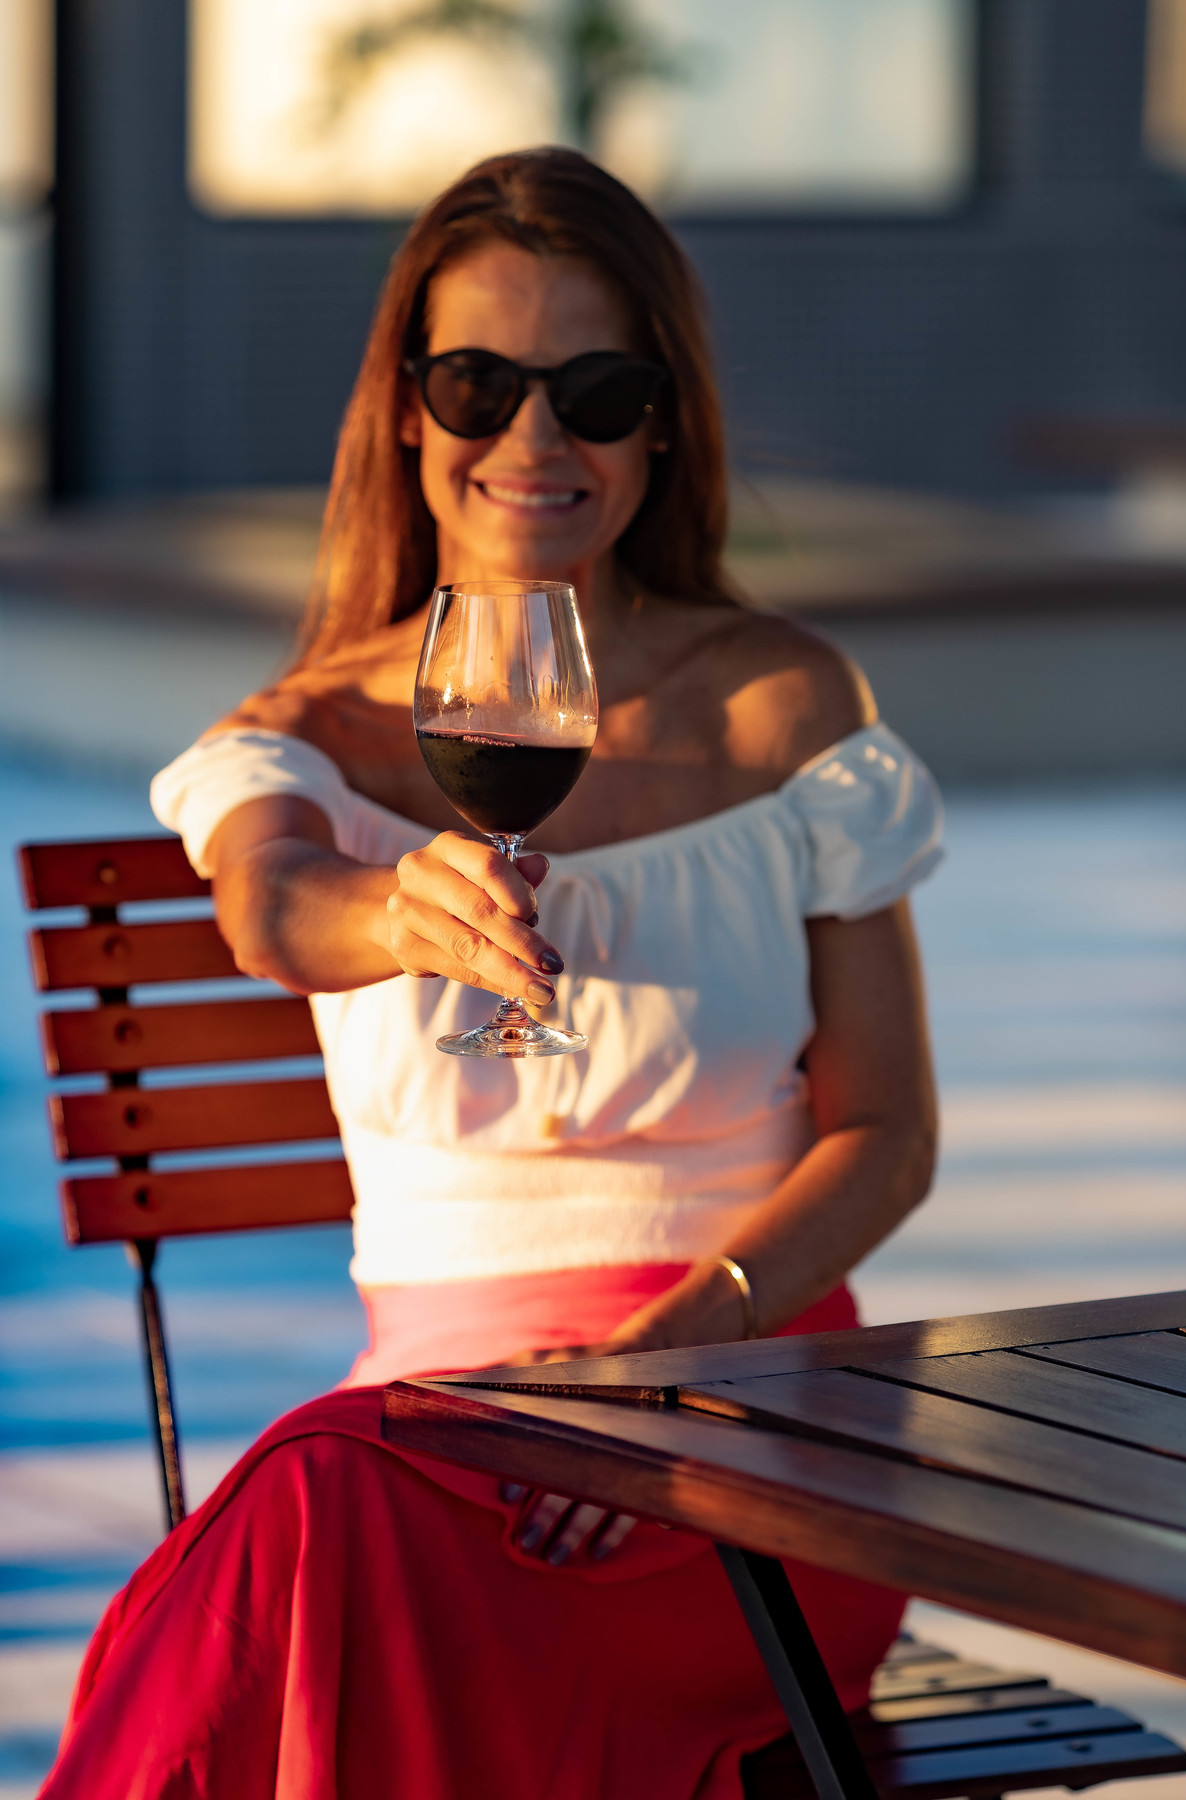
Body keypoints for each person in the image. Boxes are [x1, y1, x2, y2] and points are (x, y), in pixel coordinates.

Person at [40, 147, 942, 1800]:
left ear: (662, 424)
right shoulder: (312, 734)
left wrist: (671, 1363)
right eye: (479, 384)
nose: (535, 441)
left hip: (753, 1414)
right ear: (407, 409)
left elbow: (887, 1133)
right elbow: (272, 910)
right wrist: (393, 918)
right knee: (333, 1521)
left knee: (307, 1542)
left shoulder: (785, 706)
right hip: (436, 1437)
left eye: (597, 392)